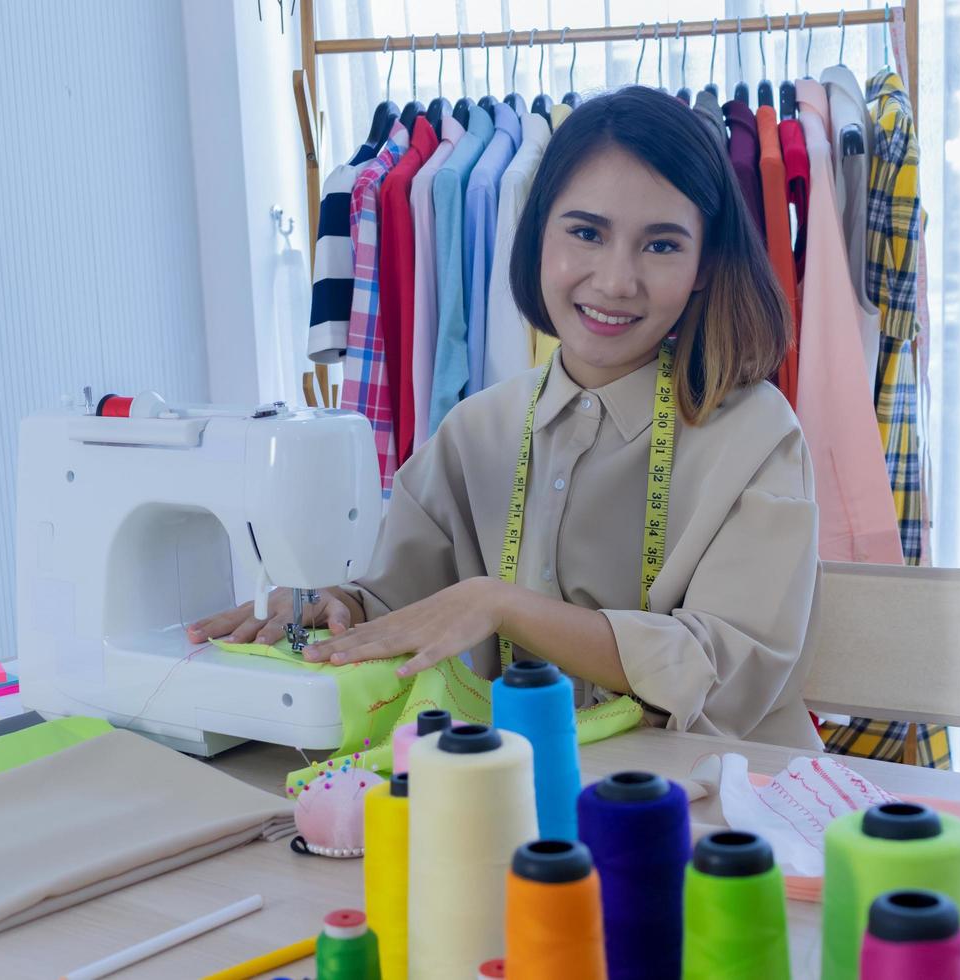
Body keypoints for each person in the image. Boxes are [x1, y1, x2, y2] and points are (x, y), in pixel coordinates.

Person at [189, 87, 822, 750]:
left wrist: (500, 603)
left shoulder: (756, 436)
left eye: (661, 246)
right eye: (586, 233)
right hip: (530, 796)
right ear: (536, 231)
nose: (615, 280)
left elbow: (723, 672)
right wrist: (338, 606)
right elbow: (397, 605)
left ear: (704, 266)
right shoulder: (474, 433)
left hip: (731, 803)